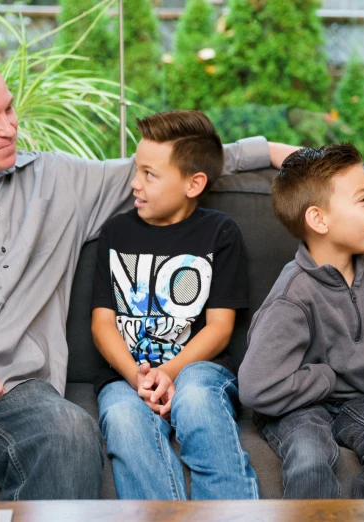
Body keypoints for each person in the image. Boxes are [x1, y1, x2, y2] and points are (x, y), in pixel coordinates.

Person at [0, 48, 287, 513]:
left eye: (10, 108)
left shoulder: (57, 180)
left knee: (71, 432)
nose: (9, 127)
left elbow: (188, 165)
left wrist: (293, 156)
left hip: (10, 394)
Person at [91, 110, 258, 500]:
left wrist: (168, 372)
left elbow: (219, 327)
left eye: (150, 174)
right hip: (125, 377)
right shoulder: (116, 232)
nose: (135, 184)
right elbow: (102, 324)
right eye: (137, 170)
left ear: (194, 183)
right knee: (123, 418)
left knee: (197, 400)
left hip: (199, 371)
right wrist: (137, 377)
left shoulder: (220, 232)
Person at [239, 144, 364, 499]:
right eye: (363, 200)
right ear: (319, 219)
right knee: (310, 455)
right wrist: (325, 377)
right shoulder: (293, 295)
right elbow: (255, 387)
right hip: (298, 407)